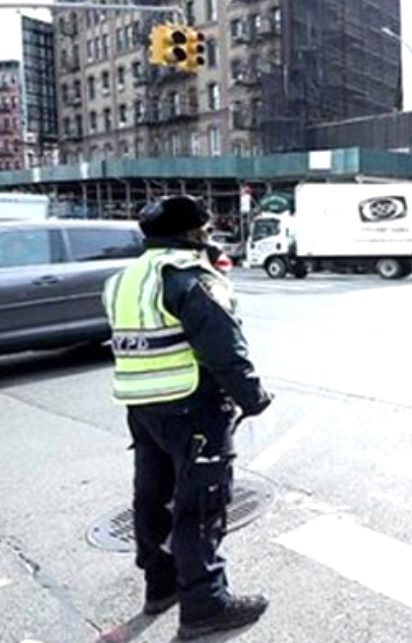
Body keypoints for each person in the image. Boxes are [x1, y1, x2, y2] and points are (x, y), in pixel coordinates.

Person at [103, 196, 272, 640]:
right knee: (201, 505)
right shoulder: (189, 278)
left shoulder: (124, 279)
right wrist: (253, 399)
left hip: (142, 409)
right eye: (206, 228)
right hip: (192, 408)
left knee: (152, 497)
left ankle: (160, 585)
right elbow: (224, 349)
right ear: (194, 232)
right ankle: (205, 605)